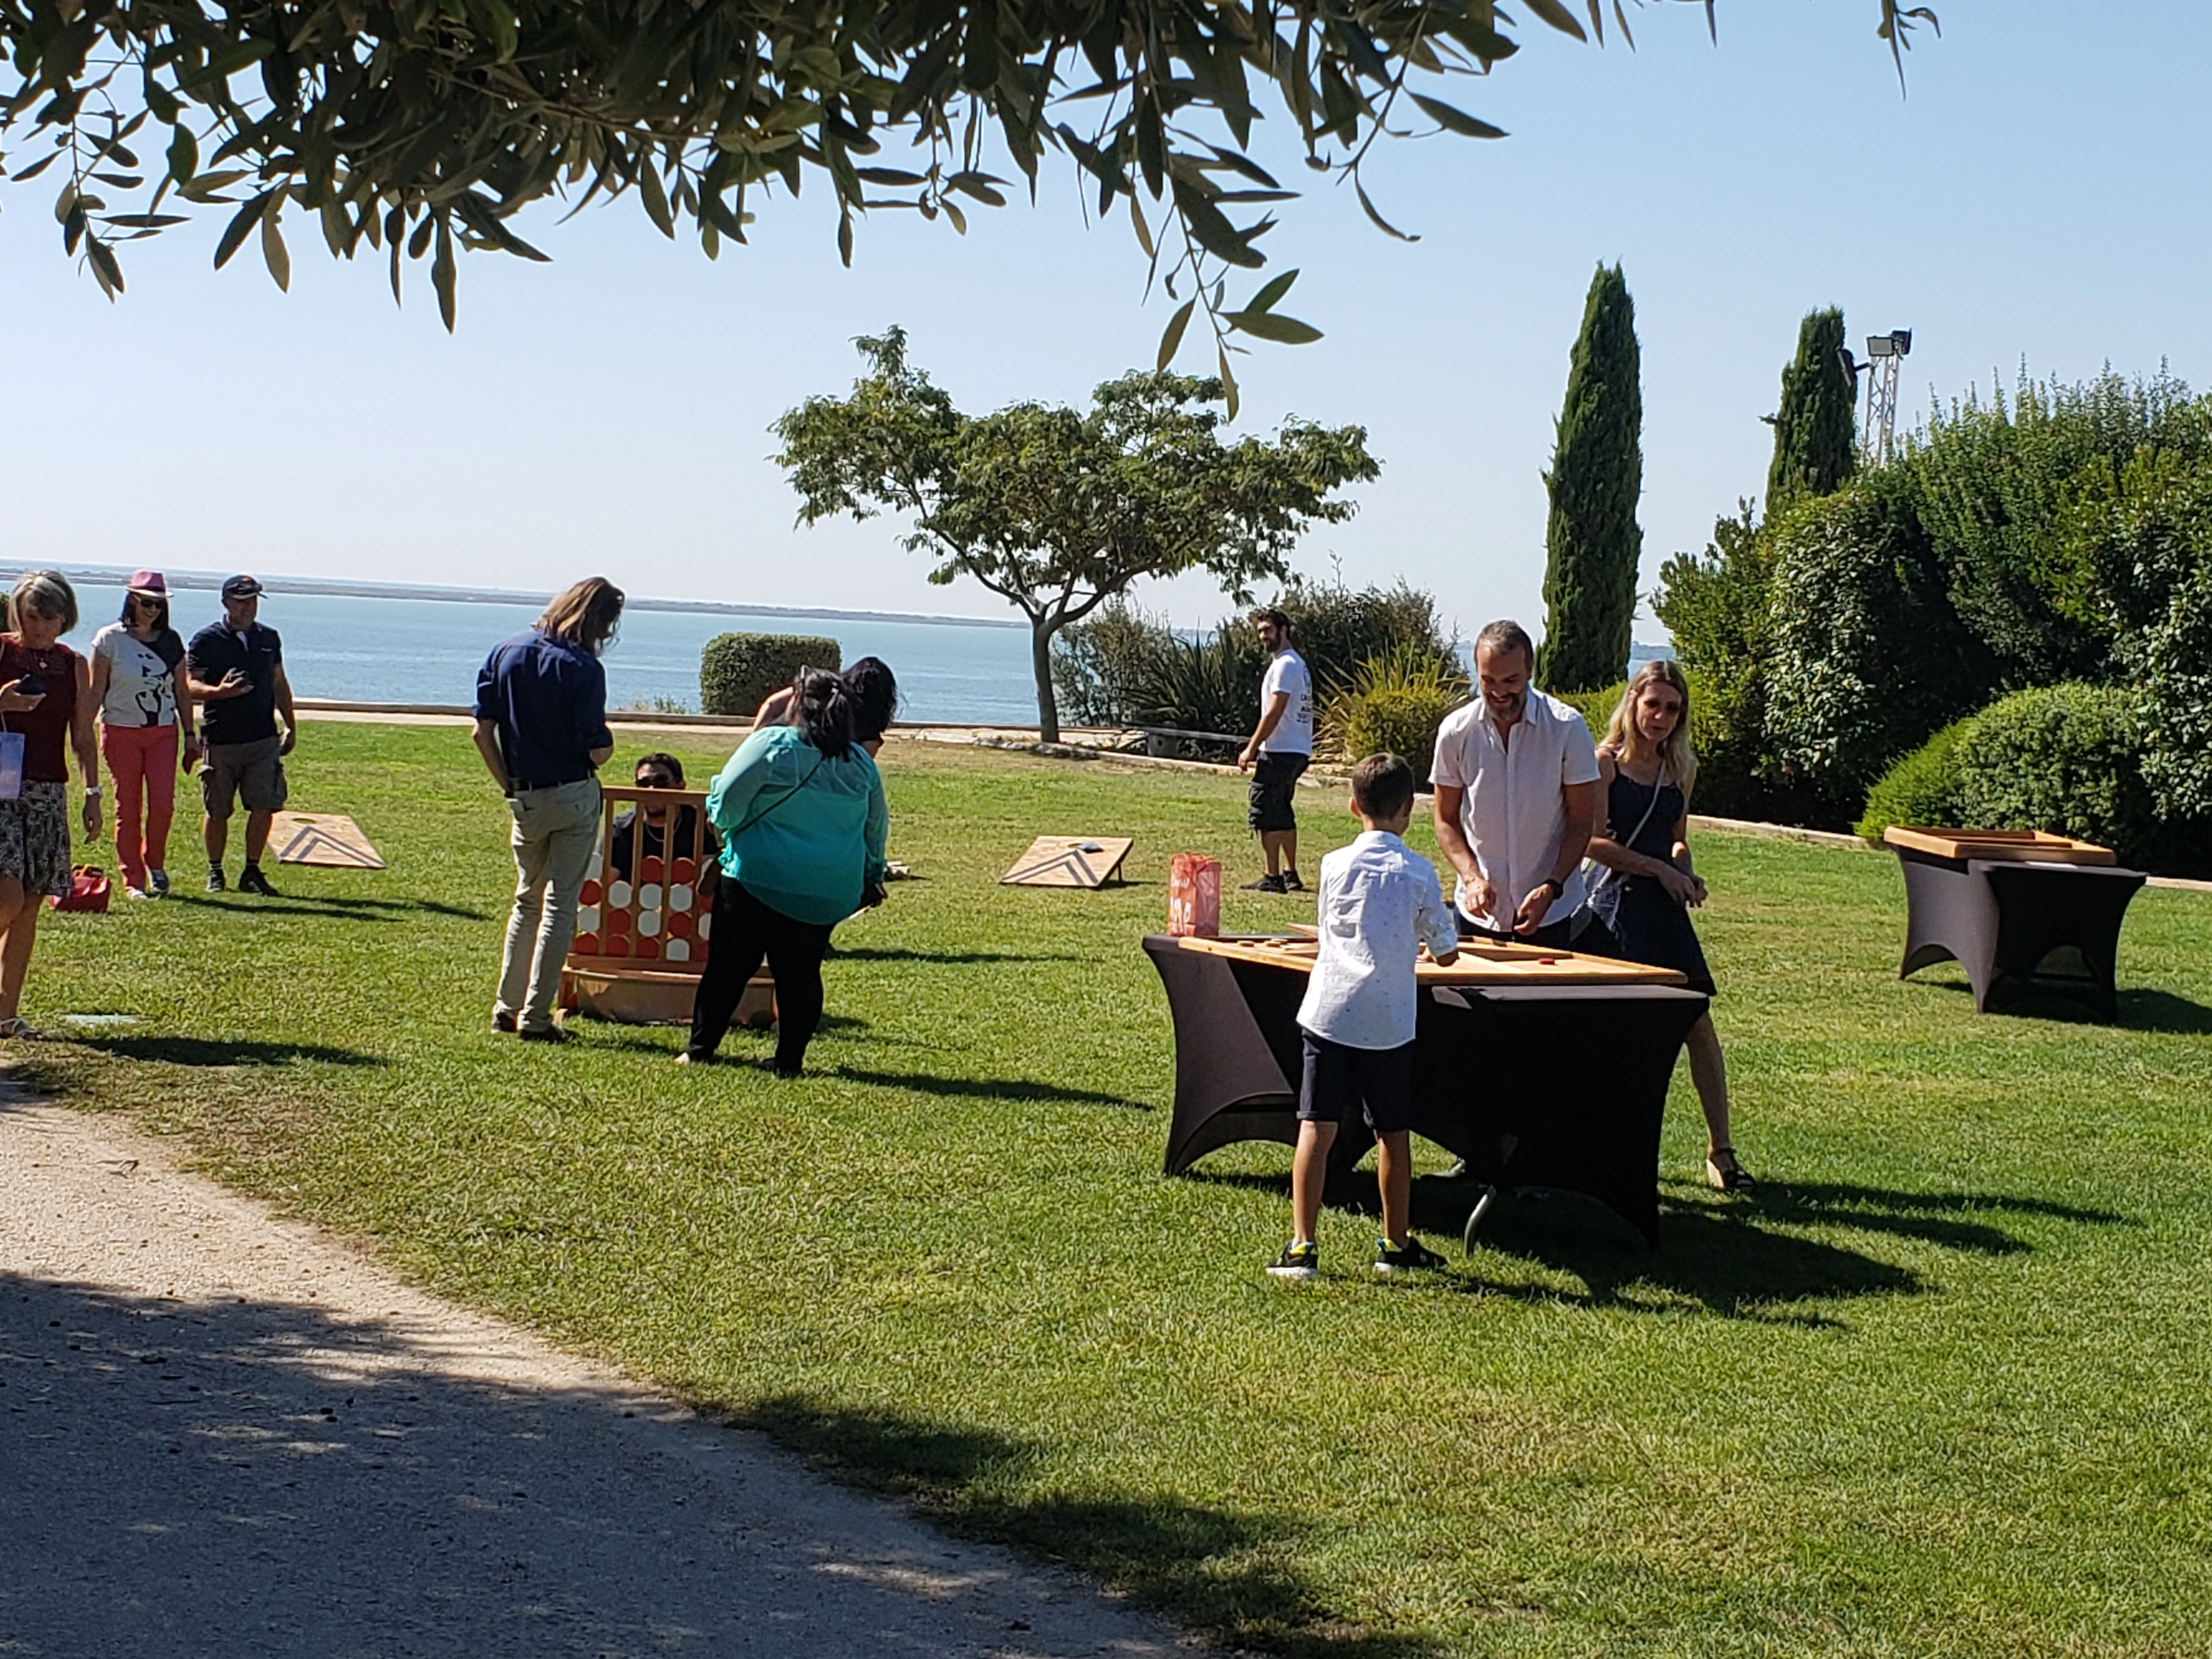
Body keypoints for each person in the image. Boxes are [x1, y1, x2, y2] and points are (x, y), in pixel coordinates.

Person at [1269, 753, 1460, 1281]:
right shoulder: (1420, 872)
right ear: (1410, 809)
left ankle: (1303, 1245)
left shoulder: (1331, 864)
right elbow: (1445, 953)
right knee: (1392, 1133)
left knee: (1316, 1127)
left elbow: (1335, 926)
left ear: (1354, 806)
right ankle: (1395, 1244)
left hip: (1329, 1008)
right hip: (1389, 1019)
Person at [1585, 660, 1754, 1191]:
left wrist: (1683, 868)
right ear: (1633, 703)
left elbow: (1677, 835)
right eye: (1652, 704)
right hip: (1614, 907)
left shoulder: (1681, 768)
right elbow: (1590, 843)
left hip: (1664, 910)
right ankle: (1601, 1149)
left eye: (1672, 708)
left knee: (1697, 1025)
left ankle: (1721, 1152)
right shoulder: (1604, 764)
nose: (1660, 717)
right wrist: (1658, 866)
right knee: (1614, 1034)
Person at [681, 668, 888, 1076]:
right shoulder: (860, 762)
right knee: (801, 975)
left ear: (798, 703)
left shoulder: (774, 744)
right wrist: (872, 872)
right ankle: (789, 1060)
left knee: (728, 968)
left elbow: (725, 803)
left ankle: (700, 1049)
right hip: (827, 890)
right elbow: (875, 826)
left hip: (757, 879)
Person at [472, 577, 624, 1041]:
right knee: (560, 908)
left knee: (526, 901)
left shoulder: (505, 652)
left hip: (525, 795)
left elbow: (481, 731)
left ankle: (506, 1006)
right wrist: (610, 744)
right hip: (573, 791)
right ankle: (536, 1018)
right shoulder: (584, 669)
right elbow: (596, 749)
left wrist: (510, 786)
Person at [1430, 619, 1604, 947]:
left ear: (1530, 671)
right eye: (1488, 680)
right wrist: (1472, 879)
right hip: (1478, 913)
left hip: (1552, 912)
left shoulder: (1567, 728)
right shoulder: (1456, 732)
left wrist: (1552, 887)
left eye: (1511, 681)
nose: (1499, 692)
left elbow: (1582, 822)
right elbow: (1446, 820)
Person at [0, 572, 101, 1040]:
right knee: (8, 898)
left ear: (66, 617)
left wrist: (93, 794)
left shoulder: (72, 664)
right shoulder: (2, 650)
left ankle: (6, 1014)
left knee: (30, 907)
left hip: (46, 790)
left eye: (49, 617)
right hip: (1, 789)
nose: (39, 627)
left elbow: (82, 733)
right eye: (32, 616)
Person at [88, 572, 200, 899]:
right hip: (121, 731)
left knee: (163, 805)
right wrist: (84, 728)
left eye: (158, 603)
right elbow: (97, 690)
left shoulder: (171, 641)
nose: (152, 610)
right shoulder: (110, 639)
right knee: (128, 807)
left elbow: (182, 691)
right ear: (132, 600)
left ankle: (155, 863)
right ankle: (133, 879)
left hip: (163, 732)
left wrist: (191, 734)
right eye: (147, 603)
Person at [186, 574, 297, 895]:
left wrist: (290, 724)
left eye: (253, 601)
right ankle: (215, 871)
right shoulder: (206, 640)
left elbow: (279, 682)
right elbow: (190, 686)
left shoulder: (269, 638)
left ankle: (252, 870)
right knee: (218, 810)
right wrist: (219, 692)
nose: (248, 608)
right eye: (241, 601)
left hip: (263, 738)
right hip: (221, 739)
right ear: (226, 603)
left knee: (264, 805)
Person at [1234, 608, 1313, 893]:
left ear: (1283, 630)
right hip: (1298, 749)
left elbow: (1275, 711)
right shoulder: (1298, 664)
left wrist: (1251, 748)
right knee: (1283, 809)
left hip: (1280, 750)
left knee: (1265, 810)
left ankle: (1273, 876)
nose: (1263, 637)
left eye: (1268, 630)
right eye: (1260, 631)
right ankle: (1290, 873)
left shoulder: (1284, 665)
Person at [752, 657, 899, 757]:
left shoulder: (822, 690)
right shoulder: (869, 732)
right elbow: (863, 769)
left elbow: (772, 703)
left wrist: (754, 739)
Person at [608, 752, 718, 880]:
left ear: (681, 786)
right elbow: (602, 883)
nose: (652, 790)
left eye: (661, 781)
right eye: (644, 784)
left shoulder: (703, 824)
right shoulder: (621, 831)